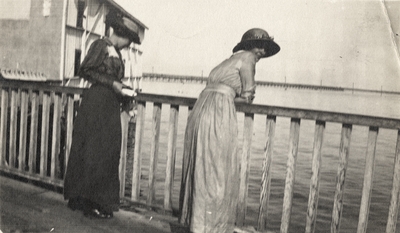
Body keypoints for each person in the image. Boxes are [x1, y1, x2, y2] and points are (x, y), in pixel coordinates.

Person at [178, 28, 280, 232]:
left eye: (265, 48)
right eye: (260, 46)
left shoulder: (227, 61)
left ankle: (198, 224)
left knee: (201, 167)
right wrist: (231, 96)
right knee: (217, 172)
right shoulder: (249, 58)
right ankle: (211, 227)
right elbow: (248, 96)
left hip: (201, 110)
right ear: (250, 46)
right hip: (218, 113)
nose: (262, 51)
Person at [63, 11, 140, 219]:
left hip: (109, 105)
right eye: (129, 41)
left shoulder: (115, 51)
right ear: (121, 35)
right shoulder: (101, 45)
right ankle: (88, 202)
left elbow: (111, 78)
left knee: (106, 152)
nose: (129, 45)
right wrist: (113, 84)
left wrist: (124, 92)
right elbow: (85, 70)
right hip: (97, 103)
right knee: (94, 151)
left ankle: (93, 199)